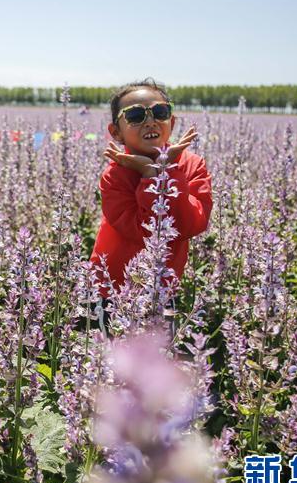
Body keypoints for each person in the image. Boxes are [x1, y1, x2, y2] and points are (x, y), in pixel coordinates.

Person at [89, 79, 212, 332]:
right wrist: (149, 175)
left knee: (158, 365)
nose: (150, 121)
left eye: (160, 112)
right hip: (113, 293)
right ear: (116, 133)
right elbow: (148, 233)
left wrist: (164, 170)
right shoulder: (114, 176)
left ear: (172, 122)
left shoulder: (192, 166)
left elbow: (188, 225)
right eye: (134, 115)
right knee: (114, 365)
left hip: (162, 291)